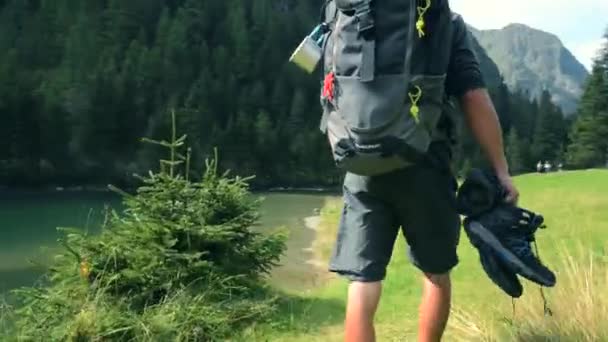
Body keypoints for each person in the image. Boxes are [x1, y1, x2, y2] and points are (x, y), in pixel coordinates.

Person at [324, 2, 519, 342]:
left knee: (364, 282)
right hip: (424, 162)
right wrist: (501, 170)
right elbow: (473, 96)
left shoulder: (350, 12)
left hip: (361, 160)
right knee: (435, 273)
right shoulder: (443, 22)